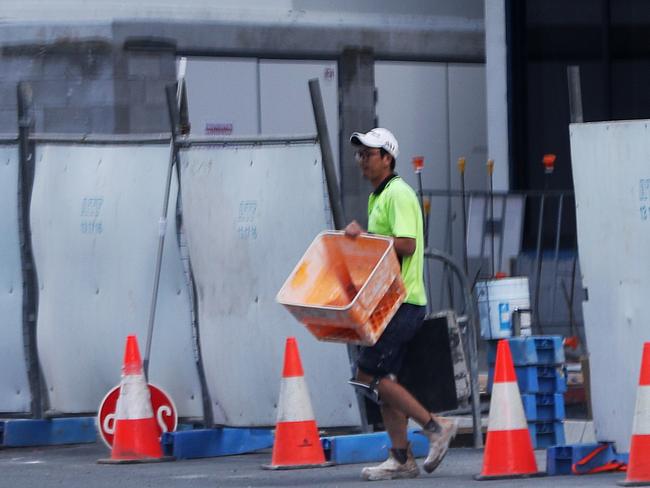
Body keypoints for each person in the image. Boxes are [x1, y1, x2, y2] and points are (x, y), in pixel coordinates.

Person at [344, 128, 458, 481]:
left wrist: (365, 238)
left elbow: (407, 244)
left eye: (369, 154)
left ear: (387, 159)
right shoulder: (379, 197)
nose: (362, 160)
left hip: (403, 302)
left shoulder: (399, 194)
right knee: (383, 379)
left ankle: (436, 427)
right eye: (360, 154)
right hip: (386, 303)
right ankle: (401, 458)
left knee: (368, 375)